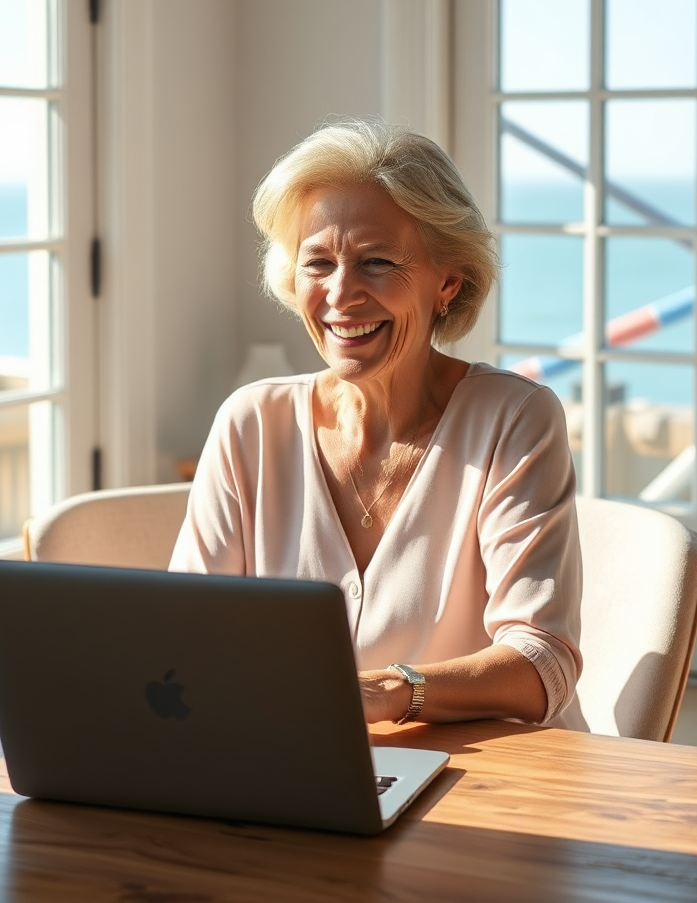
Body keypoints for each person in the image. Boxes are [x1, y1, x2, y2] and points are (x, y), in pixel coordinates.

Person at [169, 118, 583, 728]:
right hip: (302, 762)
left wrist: (392, 692)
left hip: (488, 770)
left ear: (448, 281)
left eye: (377, 262)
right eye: (317, 263)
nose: (341, 294)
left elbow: (543, 661)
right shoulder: (249, 423)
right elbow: (187, 635)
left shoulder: (515, 418)